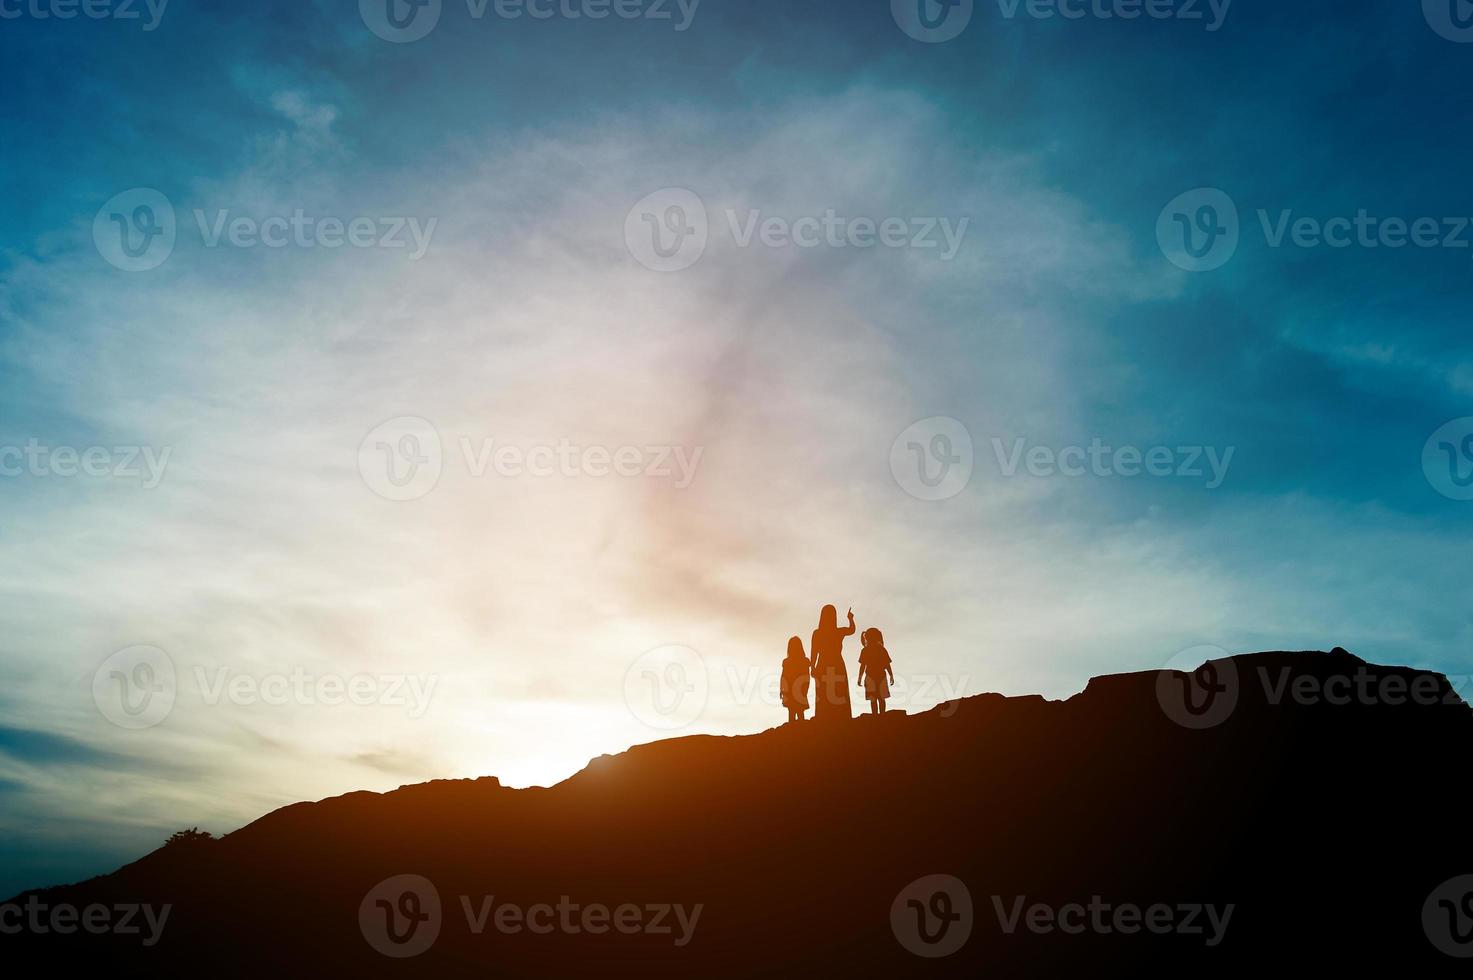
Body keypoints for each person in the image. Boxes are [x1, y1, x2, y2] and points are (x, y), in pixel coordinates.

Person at [810, 605, 855, 721]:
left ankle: (830, 715)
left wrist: (813, 667)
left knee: (831, 691)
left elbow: (814, 652)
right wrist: (850, 619)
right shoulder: (836, 632)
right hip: (834, 664)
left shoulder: (819, 633)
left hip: (826, 664)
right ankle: (835, 715)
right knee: (831, 691)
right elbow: (851, 630)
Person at [857, 628, 895, 716]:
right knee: (880, 698)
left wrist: (860, 678)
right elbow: (887, 664)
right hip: (879, 676)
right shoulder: (881, 649)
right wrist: (891, 675)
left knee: (874, 699)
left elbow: (863, 666)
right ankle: (881, 715)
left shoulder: (866, 650)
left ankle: (876, 716)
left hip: (872, 676)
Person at [779, 636, 812, 724]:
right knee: (799, 712)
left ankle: (793, 733)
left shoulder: (787, 661)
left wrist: (782, 689)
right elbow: (807, 677)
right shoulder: (804, 661)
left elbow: (783, 676)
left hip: (792, 689)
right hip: (798, 689)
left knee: (792, 713)